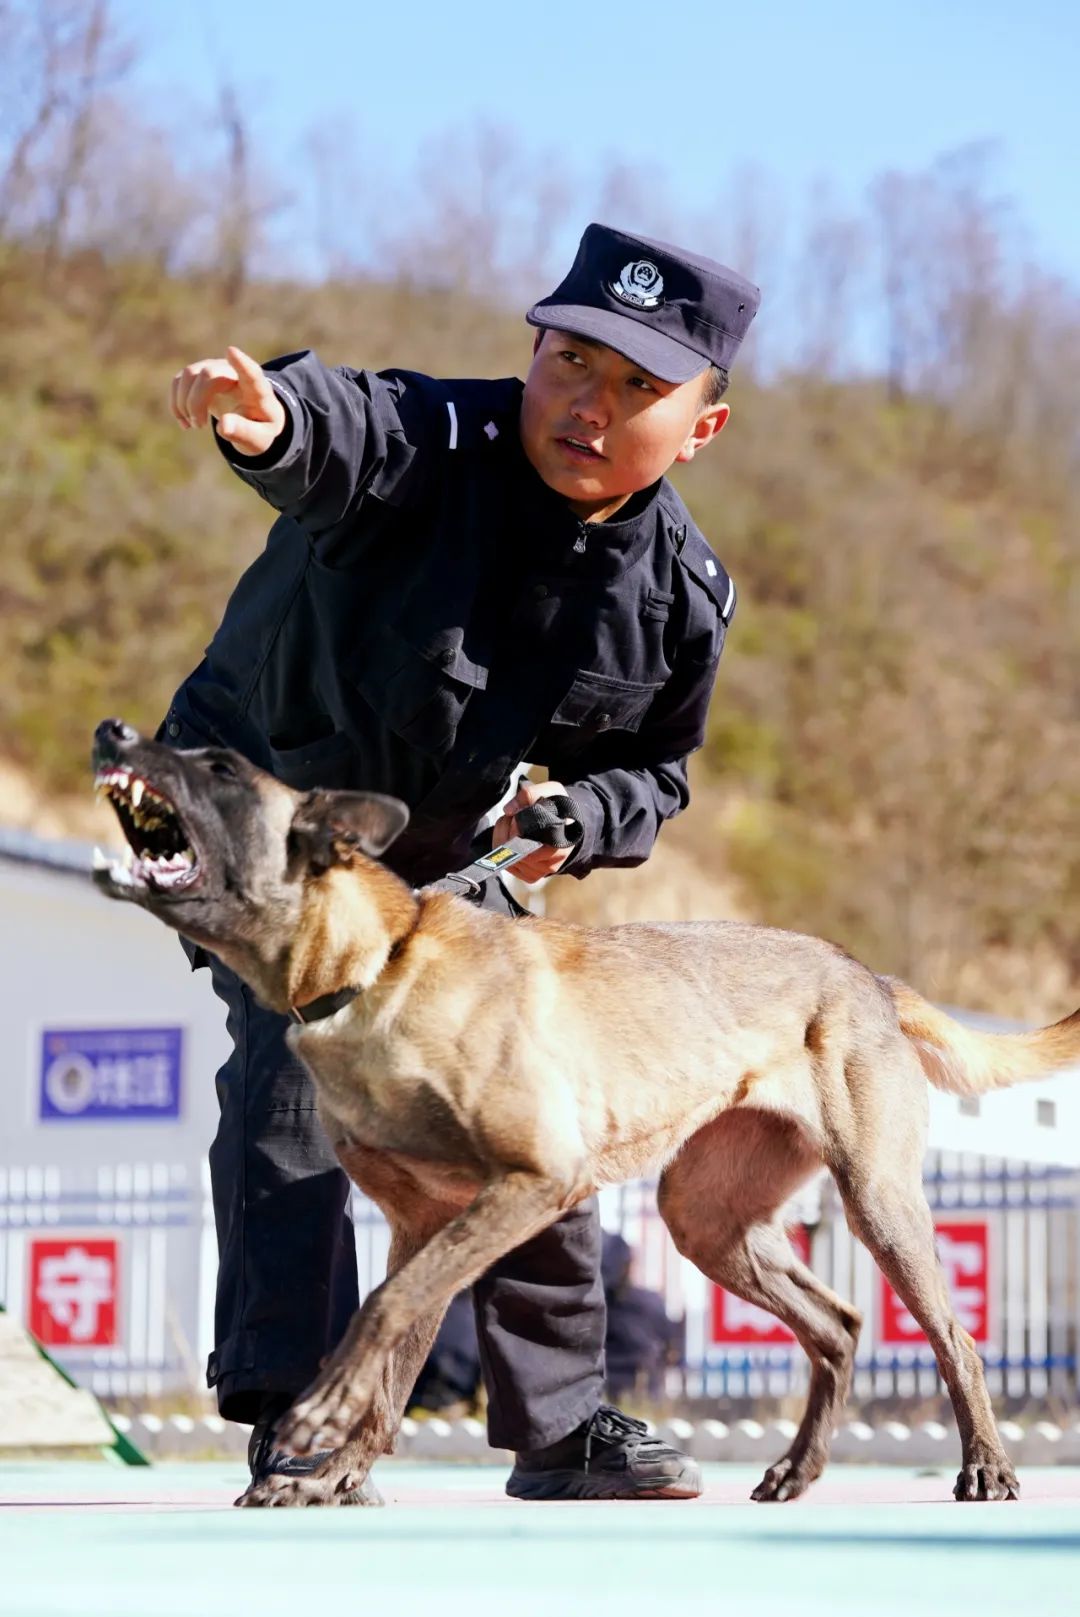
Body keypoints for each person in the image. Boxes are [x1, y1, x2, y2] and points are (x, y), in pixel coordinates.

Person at [163, 222, 759, 1501]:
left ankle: (560, 1428)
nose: (587, 405)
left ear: (701, 428)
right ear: (531, 353)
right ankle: (300, 1406)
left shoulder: (680, 600)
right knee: (303, 1063)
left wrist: (578, 817)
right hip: (260, 804)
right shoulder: (434, 441)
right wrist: (266, 425)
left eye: (637, 387)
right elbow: (338, 428)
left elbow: (656, 774)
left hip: (447, 858)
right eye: (570, 361)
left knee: (524, 1096)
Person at [601, 1233, 683, 1402]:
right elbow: (672, 1351)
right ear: (629, 1265)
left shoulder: (593, 1305)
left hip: (605, 1397)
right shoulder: (651, 1302)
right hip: (646, 1395)